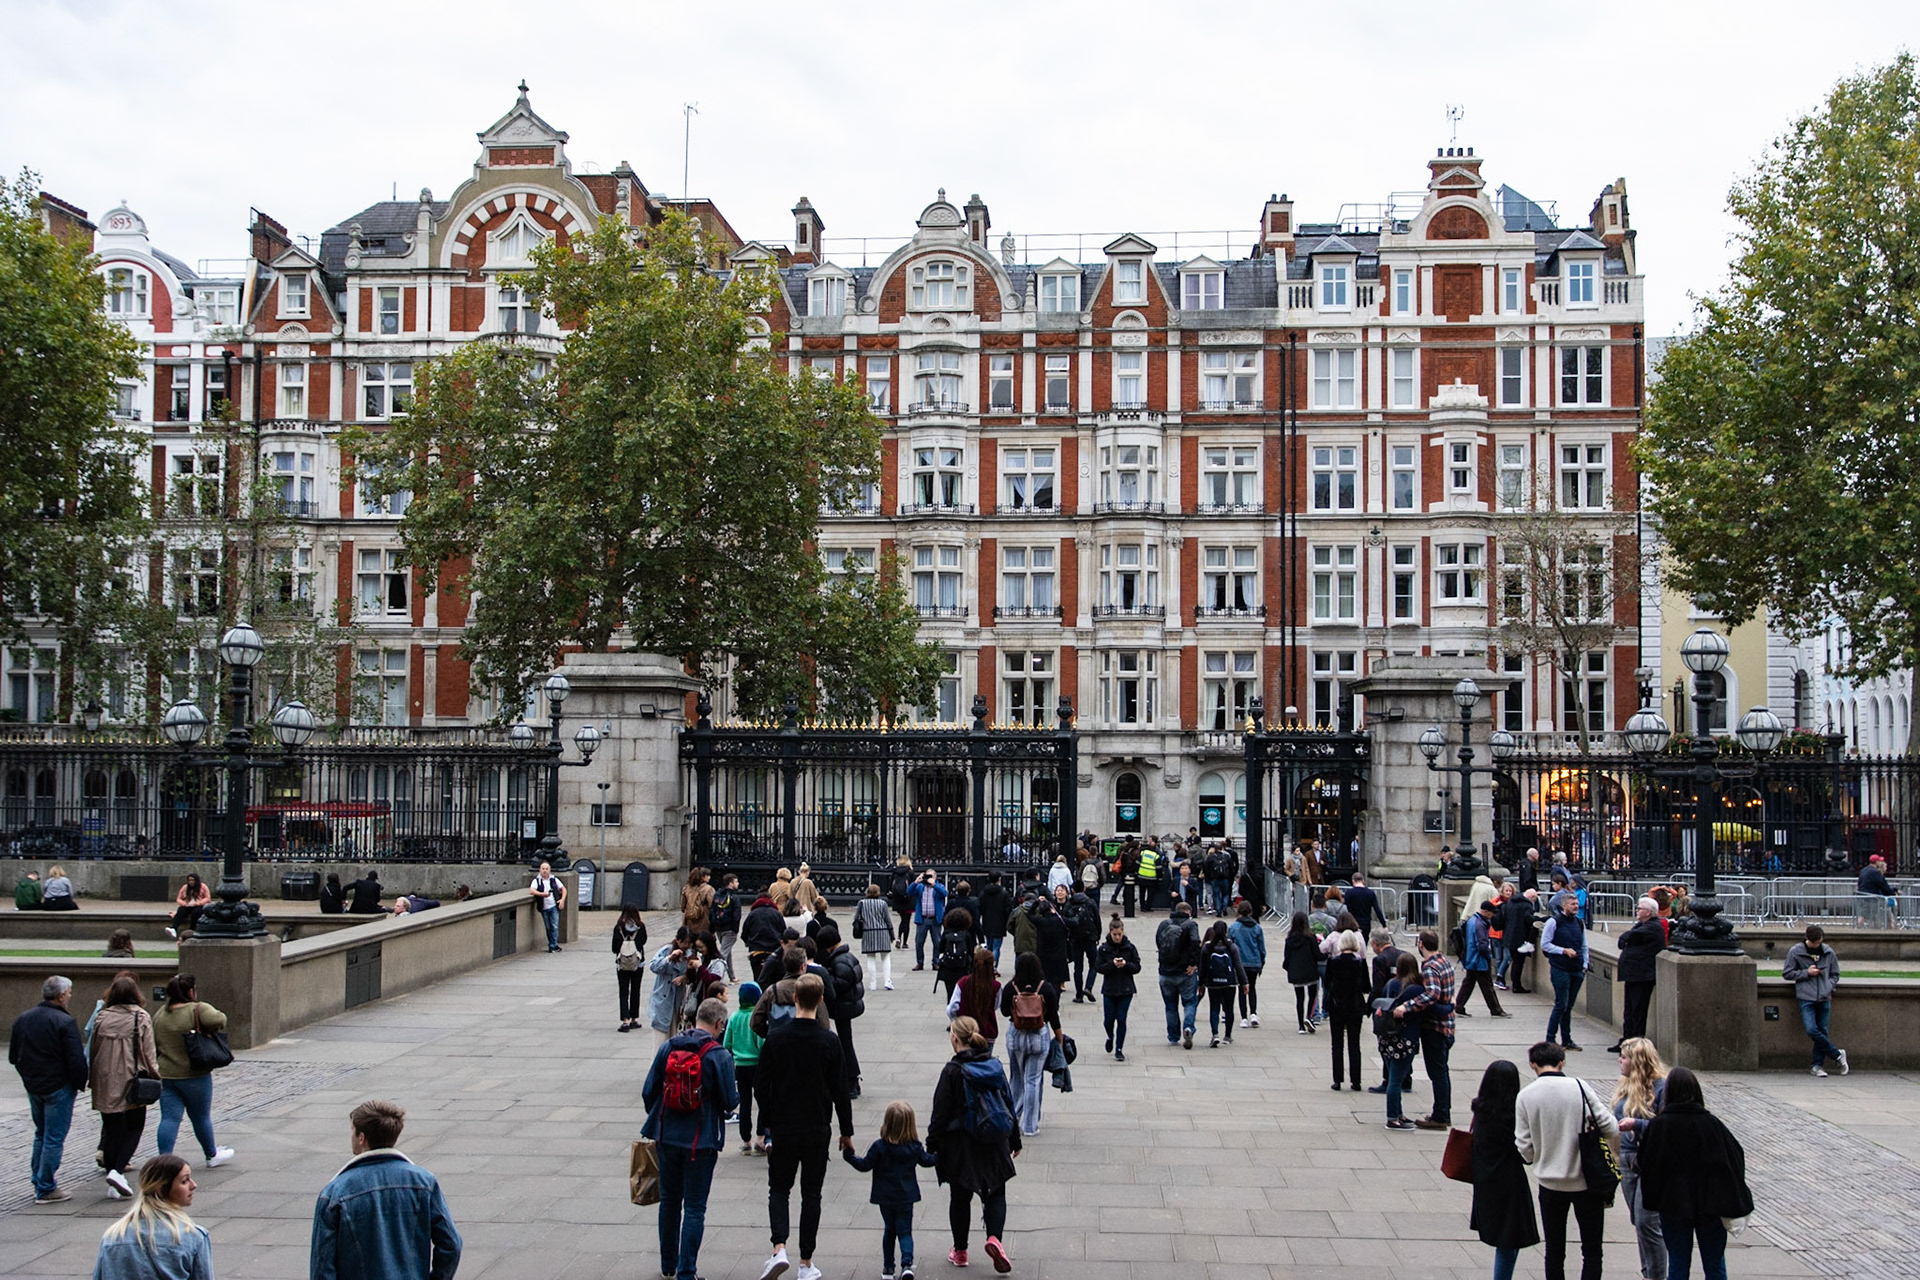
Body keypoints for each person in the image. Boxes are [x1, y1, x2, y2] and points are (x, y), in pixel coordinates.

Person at [755, 973, 853, 1280]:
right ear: (821, 1000)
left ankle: (778, 1248)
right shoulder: (829, 1040)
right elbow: (840, 1089)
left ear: (795, 998)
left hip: (784, 1125)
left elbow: (761, 1084)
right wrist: (846, 1131)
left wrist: (766, 1122)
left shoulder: (777, 1038)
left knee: (779, 1188)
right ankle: (806, 1262)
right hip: (816, 1126)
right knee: (812, 1194)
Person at [310, 1099, 461, 1280]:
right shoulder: (424, 1183)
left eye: (352, 1130)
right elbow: (451, 1245)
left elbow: (322, 1267)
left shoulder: (335, 1193)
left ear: (361, 1137)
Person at [643, 996, 738, 1280]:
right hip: (701, 1139)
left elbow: (650, 1090)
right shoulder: (718, 1055)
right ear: (719, 1023)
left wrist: (662, 1116)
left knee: (669, 1200)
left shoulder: (669, 1047)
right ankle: (687, 1271)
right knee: (695, 1207)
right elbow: (730, 1101)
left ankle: (668, 1264)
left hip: (666, 1136)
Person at [1636, 1066, 1754, 1280]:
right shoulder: (1711, 1124)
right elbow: (1734, 1157)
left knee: (1678, 1265)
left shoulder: (1660, 1126)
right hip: (1710, 1205)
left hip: (1673, 1206)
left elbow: (1645, 1163)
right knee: (1715, 1264)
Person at [1515, 1041, 1619, 1280]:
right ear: (1562, 1062)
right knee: (1592, 1250)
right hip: (1586, 1181)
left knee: (1554, 1250)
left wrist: (1538, 1156)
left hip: (1550, 1183)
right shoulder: (1579, 1087)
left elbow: (1524, 1146)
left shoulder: (1525, 1096)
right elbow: (1610, 1126)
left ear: (1533, 1065)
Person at [927, 1016, 1020, 1273]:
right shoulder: (994, 1065)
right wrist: (1014, 1138)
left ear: (955, 1038)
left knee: (960, 1196)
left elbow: (940, 1112)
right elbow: (1008, 1102)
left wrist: (931, 1145)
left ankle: (960, 1251)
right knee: (996, 1192)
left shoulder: (952, 1071)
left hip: (960, 1144)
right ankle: (994, 1239)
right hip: (994, 1139)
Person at [10, 974, 88, 1203]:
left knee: (41, 1134)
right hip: (58, 1086)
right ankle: (45, 1187)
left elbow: (14, 1055)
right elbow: (76, 1059)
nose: (70, 997)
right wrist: (79, 1083)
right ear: (61, 995)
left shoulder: (23, 1018)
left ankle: (39, 1180)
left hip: (34, 1085)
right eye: (70, 993)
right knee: (53, 1137)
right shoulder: (64, 1022)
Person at [843, 1100, 939, 1280]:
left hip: (885, 1198)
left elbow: (864, 1165)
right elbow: (927, 1161)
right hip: (906, 1197)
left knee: (889, 1230)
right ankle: (907, 1264)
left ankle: (888, 1268)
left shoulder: (879, 1147)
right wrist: (942, 1154)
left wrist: (849, 1155)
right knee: (905, 1232)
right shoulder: (914, 1147)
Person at [1468, 1061, 1541, 1280]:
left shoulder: (1480, 1111)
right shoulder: (1512, 1118)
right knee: (1510, 1240)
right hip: (1509, 1182)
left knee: (1505, 1239)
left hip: (1485, 1180)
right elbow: (1525, 1152)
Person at [88, 973, 158, 1200]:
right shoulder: (141, 1017)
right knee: (135, 1127)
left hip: (105, 1079)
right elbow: (149, 1053)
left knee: (111, 1130)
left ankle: (112, 1177)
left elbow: (93, 1049)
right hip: (131, 1079)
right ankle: (117, 1171)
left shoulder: (102, 1017)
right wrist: (156, 1075)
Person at [151, 975, 233, 1169]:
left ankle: (164, 1159)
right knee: (201, 1117)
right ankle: (211, 1154)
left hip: (167, 1074)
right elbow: (220, 1019)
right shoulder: (197, 1009)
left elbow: (155, 1042)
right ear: (190, 991)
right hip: (195, 1074)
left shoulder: (161, 1014)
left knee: (169, 1118)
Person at [1611, 1038, 1670, 1280]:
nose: (1620, 1061)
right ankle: (1649, 1271)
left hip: (1651, 1161)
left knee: (1648, 1222)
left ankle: (1656, 1275)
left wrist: (1637, 1124)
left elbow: (1666, 1126)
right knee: (1639, 1221)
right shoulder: (1625, 1086)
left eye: (1624, 1057)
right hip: (1627, 1157)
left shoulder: (1661, 1088)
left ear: (1637, 1061)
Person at [1393, 929, 1457, 1133]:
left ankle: (1440, 1115)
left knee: (1438, 1072)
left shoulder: (1429, 968)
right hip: (1447, 1026)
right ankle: (1441, 1111)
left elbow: (1431, 994)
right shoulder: (1444, 962)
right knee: (1441, 1071)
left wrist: (1407, 1006)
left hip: (1436, 1028)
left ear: (1420, 944)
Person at [998, 951, 1061, 1136]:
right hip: (1038, 1036)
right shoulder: (1045, 988)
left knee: (1016, 1078)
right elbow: (1053, 1016)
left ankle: (1012, 1119)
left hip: (1016, 1035)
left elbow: (1003, 1012)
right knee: (1033, 1079)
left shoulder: (1011, 987)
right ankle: (1030, 1125)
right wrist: (1059, 1037)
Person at [1783, 923, 1849, 1077]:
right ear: (1807, 939)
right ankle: (1837, 1055)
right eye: (1814, 943)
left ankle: (1817, 1065)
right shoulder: (1796, 952)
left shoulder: (1828, 952)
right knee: (1812, 1029)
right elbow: (1787, 973)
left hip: (1824, 996)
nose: (1816, 945)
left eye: (1818, 942)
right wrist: (1807, 972)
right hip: (1806, 996)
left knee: (1822, 1031)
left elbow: (1835, 974)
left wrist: (1829, 986)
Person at [1609, 899, 1665, 1053]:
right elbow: (1624, 940)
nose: (1637, 910)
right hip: (1634, 975)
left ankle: (1635, 1044)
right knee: (1629, 1011)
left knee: (1638, 1011)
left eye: (1639, 908)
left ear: (1648, 912)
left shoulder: (1653, 927)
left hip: (1643, 976)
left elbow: (1628, 936)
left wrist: (1626, 938)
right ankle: (1626, 1041)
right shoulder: (1642, 925)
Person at [1375, 953, 1423, 1129]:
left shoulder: (1390, 984)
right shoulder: (1415, 989)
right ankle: (1392, 1117)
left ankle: (1398, 1113)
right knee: (1396, 1079)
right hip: (1405, 1038)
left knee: (1393, 1076)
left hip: (1386, 1037)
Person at [820, 925, 866, 1099]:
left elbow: (840, 984)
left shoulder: (840, 960)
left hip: (843, 1008)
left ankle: (852, 1081)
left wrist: (826, 976)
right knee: (845, 1042)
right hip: (847, 1006)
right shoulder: (845, 957)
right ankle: (852, 1080)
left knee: (845, 1044)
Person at [1322, 930, 1371, 1088]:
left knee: (1337, 1044)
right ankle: (1356, 1081)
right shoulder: (1360, 963)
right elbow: (1366, 986)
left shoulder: (1333, 962)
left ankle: (1337, 1080)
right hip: (1355, 1005)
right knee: (1354, 1044)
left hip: (1337, 1005)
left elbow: (1327, 983)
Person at [1540, 891, 1588, 1051]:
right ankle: (1550, 1039)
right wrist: (1563, 950)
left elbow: (1584, 945)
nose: (1576, 907)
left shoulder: (1579, 923)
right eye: (1572, 904)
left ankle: (1566, 1039)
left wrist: (1585, 964)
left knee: (1568, 1006)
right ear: (1564, 905)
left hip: (1576, 968)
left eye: (1576, 904)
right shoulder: (1554, 922)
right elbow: (1545, 944)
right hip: (1560, 968)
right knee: (1561, 1004)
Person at [1154, 900, 1202, 1049]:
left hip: (1166, 971)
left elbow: (1158, 942)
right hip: (1184, 971)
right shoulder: (1191, 925)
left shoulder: (1164, 924)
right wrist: (1193, 964)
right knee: (1189, 1002)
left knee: (1170, 1006)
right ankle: (1188, 1028)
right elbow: (1196, 943)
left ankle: (1173, 1036)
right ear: (1188, 912)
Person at [726, 982, 767, 1154]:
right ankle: (760, 1138)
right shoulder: (756, 1017)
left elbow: (727, 1042)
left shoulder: (734, 1017)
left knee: (745, 1103)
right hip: (757, 1065)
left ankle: (745, 1141)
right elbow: (762, 1043)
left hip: (740, 1066)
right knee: (763, 1102)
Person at [1094, 914, 1141, 1061]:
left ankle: (1119, 1048)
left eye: (1119, 934)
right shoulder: (1103, 949)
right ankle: (1110, 1036)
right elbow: (1099, 967)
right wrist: (1112, 964)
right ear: (1110, 933)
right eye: (1115, 934)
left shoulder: (1130, 947)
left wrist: (1126, 964)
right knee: (1108, 1020)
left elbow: (1137, 967)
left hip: (1126, 989)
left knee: (1121, 1018)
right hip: (1109, 989)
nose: (1117, 937)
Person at [1198, 920, 1248, 1048]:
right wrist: (1244, 982)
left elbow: (1202, 967)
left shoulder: (1207, 947)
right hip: (1230, 982)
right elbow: (1238, 965)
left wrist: (1201, 984)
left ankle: (1215, 1034)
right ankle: (1228, 1035)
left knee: (1214, 1008)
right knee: (1229, 1008)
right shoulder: (1232, 946)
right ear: (1226, 931)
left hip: (1213, 982)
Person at [1456, 898, 1509, 1018]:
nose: (1492, 915)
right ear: (1486, 911)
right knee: (1487, 986)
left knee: (1468, 984)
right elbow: (1482, 944)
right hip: (1479, 960)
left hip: (1471, 959)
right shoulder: (1480, 925)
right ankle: (1495, 1009)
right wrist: (1489, 956)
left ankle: (1459, 1006)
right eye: (1491, 912)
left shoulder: (1472, 921)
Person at [951, 947, 1001, 1052]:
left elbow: (952, 1008)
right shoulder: (996, 986)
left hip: (965, 1032)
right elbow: (996, 1005)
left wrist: (958, 1020)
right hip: (987, 1032)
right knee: (984, 1065)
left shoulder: (963, 982)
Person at [1227, 900, 1266, 1028]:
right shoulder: (1257, 927)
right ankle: (1253, 1013)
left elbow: (1230, 946)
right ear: (1250, 911)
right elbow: (1262, 948)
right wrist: (1261, 961)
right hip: (1254, 962)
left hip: (1239, 963)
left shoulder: (1233, 928)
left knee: (1242, 988)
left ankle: (1244, 1017)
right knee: (1252, 987)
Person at [1282, 911, 1322, 1034]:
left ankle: (1300, 1025)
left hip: (1296, 971)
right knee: (1312, 995)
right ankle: (1309, 1017)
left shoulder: (1289, 939)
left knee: (1300, 998)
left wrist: (1288, 968)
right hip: (1310, 970)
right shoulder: (1311, 938)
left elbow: (1287, 957)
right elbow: (1317, 955)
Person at [649, 928, 693, 1038]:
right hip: (663, 999)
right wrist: (669, 958)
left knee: (675, 1036)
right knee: (660, 1037)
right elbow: (653, 966)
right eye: (684, 942)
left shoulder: (690, 955)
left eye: (689, 943)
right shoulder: (666, 950)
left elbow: (694, 975)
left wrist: (684, 977)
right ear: (678, 940)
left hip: (679, 1000)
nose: (686, 945)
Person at [1062, 882, 1100, 1002]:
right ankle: (1088, 987)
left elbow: (1065, 921)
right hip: (1090, 936)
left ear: (1072, 890)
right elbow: (1097, 919)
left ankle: (1079, 995)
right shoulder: (1090, 902)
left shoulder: (1069, 903)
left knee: (1078, 967)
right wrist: (1098, 934)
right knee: (1094, 964)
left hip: (1075, 938)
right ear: (1084, 889)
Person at [613, 906, 649, 1032]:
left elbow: (614, 948)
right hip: (637, 962)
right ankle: (634, 1019)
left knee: (623, 991)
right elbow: (643, 941)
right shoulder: (641, 927)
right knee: (635, 989)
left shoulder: (618, 927)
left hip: (622, 964)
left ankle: (625, 1021)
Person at [855, 884, 896, 991]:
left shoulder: (862, 903)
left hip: (868, 932)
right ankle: (887, 980)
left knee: (871, 957)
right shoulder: (883, 903)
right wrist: (892, 934)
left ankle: (873, 983)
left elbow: (856, 919)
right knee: (885, 957)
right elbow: (888, 920)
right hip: (883, 932)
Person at [1501, 888, 1541, 995]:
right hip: (1520, 937)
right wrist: (1543, 919)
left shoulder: (1511, 902)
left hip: (1509, 935)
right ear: (1532, 897)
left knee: (1514, 961)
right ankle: (1517, 986)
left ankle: (1516, 984)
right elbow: (1530, 920)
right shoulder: (1526, 906)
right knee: (1518, 963)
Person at [744, 891, 788, 979]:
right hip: (774, 950)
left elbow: (744, 932)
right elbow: (783, 931)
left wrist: (749, 943)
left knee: (757, 978)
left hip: (756, 950)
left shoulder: (752, 914)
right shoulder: (777, 914)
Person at [1032, 892, 1071, 992]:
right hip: (1058, 954)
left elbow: (1029, 914)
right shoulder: (1060, 921)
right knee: (1056, 982)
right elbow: (1074, 922)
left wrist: (1036, 902)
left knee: (1045, 979)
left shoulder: (1040, 921)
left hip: (1043, 954)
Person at [911, 870, 948, 972]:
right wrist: (916, 882)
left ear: (935, 877)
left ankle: (935, 962)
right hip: (922, 918)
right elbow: (909, 892)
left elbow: (944, 893)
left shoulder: (938, 887)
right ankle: (920, 962)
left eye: (931, 876)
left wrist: (934, 884)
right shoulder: (920, 887)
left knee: (937, 942)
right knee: (919, 942)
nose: (928, 878)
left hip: (935, 919)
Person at [976, 872, 1013, 967]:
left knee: (989, 945)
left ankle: (987, 965)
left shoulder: (984, 892)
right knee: (996, 947)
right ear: (999, 880)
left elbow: (979, 907)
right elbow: (1008, 909)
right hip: (1000, 923)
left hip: (987, 921)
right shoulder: (1004, 893)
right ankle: (993, 966)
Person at [711, 872, 743, 980]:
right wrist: (735, 928)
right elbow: (736, 915)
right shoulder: (734, 897)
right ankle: (715, 975)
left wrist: (713, 926)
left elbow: (712, 911)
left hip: (719, 927)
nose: (738, 884)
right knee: (723, 954)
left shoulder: (717, 895)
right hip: (729, 928)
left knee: (726, 951)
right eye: (736, 881)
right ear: (730, 883)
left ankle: (732, 976)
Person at [529, 860, 566, 952]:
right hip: (544, 907)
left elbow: (563, 889)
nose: (545, 871)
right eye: (543, 869)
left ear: (549, 870)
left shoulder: (554, 879)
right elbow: (532, 890)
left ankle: (553, 945)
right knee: (548, 927)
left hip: (553, 906)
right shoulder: (536, 881)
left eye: (546, 869)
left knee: (554, 926)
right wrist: (542, 894)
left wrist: (562, 900)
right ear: (540, 870)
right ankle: (553, 944)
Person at [1856, 853, 1897, 927]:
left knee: (1865, 915)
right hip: (1871, 897)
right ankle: (1857, 930)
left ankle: (1870, 930)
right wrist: (1892, 892)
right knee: (1864, 916)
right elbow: (1883, 885)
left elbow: (1859, 883)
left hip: (1862, 895)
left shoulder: (1863, 870)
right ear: (1876, 862)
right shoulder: (1875, 872)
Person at [168, 875, 210, 939]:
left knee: (196, 912)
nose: (191, 882)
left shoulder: (203, 886)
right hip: (188, 905)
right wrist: (184, 904)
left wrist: (198, 903)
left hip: (199, 906)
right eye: (189, 880)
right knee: (181, 910)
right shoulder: (185, 887)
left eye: (193, 880)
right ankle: (174, 928)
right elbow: (178, 899)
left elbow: (207, 898)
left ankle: (191, 930)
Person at [889, 857, 916, 948]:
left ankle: (899, 937)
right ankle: (904, 942)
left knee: (902, 919)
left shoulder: (895, 872)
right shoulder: (910, 872)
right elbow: (914, 885)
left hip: (897, 900)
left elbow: (890, 886)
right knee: (906, 921)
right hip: (908, 899)